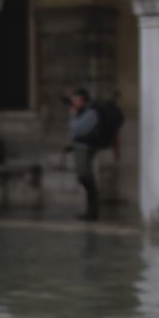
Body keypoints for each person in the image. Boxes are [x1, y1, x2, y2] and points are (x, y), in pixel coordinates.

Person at [67, 88, 100, 221]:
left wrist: (73, 116)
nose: (74, 103)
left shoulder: (91, 113)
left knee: (86, 178)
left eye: (76, 100)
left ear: (83, 100)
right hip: (80, 147)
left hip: (85, 148)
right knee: (85, 178)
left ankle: (93, 212)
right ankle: (90, 211)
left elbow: (77, 130)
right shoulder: (83, 113)